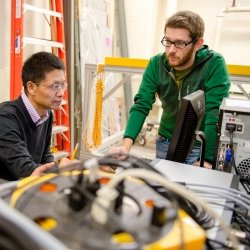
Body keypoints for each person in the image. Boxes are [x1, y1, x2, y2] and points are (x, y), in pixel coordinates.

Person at [110, 10, 231, 168]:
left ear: (198, 44)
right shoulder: (156, 64)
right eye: (168, 41)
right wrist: (126, 146)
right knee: (165, 189)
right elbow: (141, 104)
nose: (171, 50)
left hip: (199, 146)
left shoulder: (214, 64)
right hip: (166, 141)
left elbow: (214, 112)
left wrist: (207, 159)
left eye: (180, 43)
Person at [0, 51, 72, 181]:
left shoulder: (47, 114)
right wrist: (60, 169)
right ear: (31, 87)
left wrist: (54, 167)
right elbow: (26, 170)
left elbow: (45, 155)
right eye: (55, 86)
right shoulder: (5, 118)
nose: (61, 93)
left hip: (28, 188)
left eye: (62, 85)